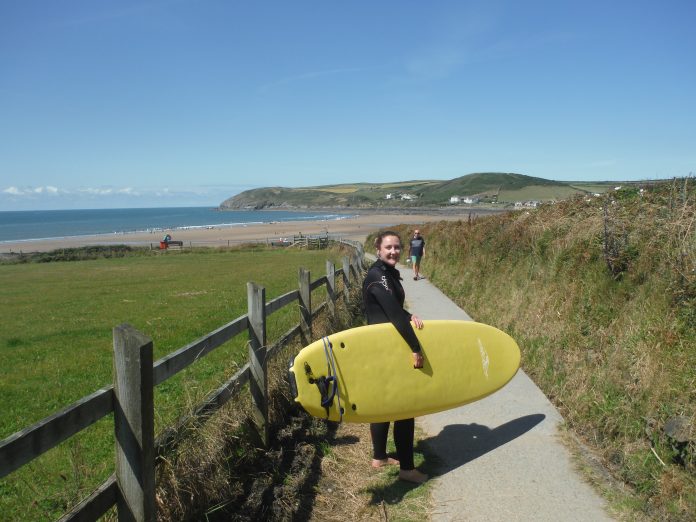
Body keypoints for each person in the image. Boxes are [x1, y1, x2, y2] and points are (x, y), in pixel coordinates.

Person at [362, 230, 428, 484]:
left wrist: (408, 314)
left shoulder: (384, 274)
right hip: (387, 348)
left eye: (397, 247)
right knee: (404, 407)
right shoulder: (377, 277)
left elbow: (392, 308)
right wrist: (415, 347)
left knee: (383, 402)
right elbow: (393, 313)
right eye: (388, 247)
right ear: (378, 249)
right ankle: (407, 470)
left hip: (380, 346)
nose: (393, 251)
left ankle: (379, 456)